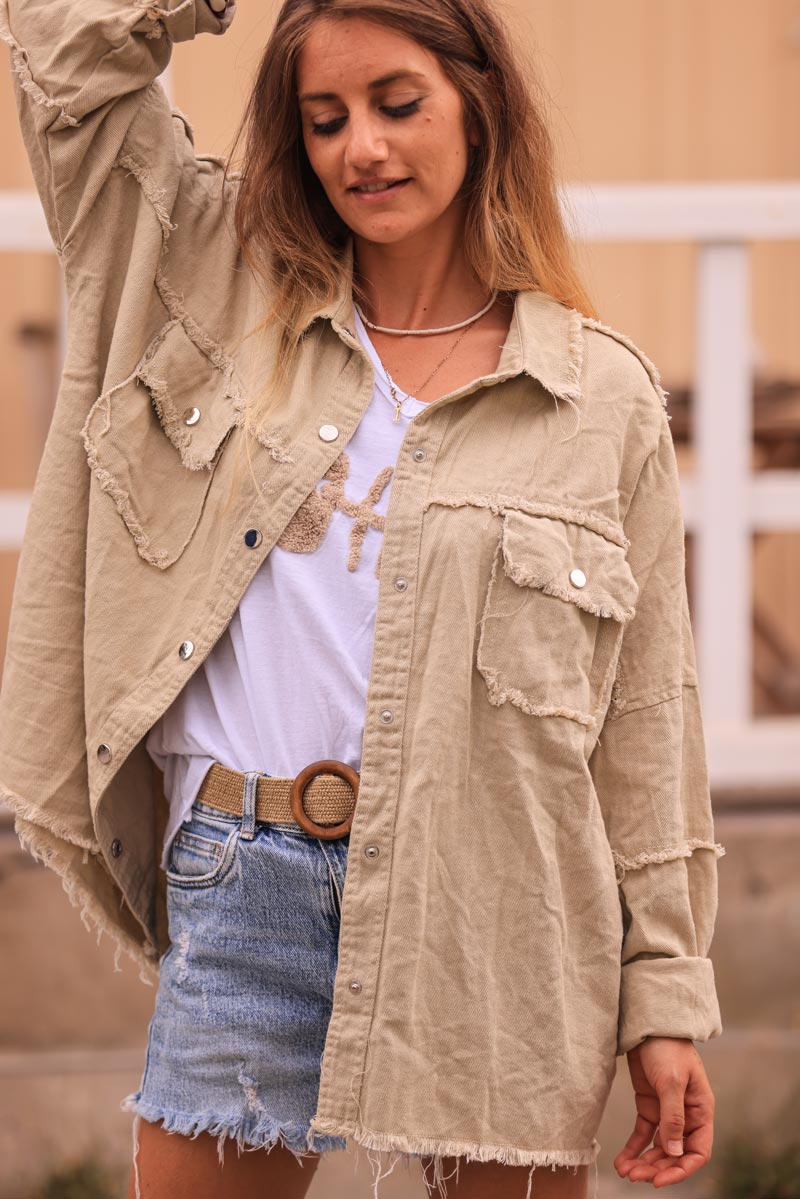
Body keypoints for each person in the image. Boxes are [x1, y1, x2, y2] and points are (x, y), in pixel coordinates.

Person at [0, 0, 726, 1197]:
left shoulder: (596, 395)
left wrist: (662, 995)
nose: (361, 149)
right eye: (323, 118)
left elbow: (645, 723)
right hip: (247, 884)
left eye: (397, 105)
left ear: (478, 105)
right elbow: (63, 53)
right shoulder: (214, 283)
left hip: (500, 903)